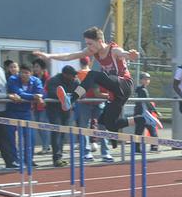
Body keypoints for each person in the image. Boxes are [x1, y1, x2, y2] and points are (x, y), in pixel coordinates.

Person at [32, 26, 162, 136]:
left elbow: (125, 54)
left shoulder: (114, 50)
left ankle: (71, 99)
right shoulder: (92, 51)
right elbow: (70, 56)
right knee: (111, 125)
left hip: (125, 84)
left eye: (90, 44)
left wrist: (133, 55)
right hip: (115, 91)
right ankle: (143, 118)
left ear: (100, 41)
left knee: (93, 75)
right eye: (87, 44)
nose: (88, 47)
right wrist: (49, 56)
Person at [43, 66, 78, 166]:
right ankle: (56, 158)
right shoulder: (54, 80)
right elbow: (52, 93)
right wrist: (65, 97)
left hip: (66, 110)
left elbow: (81, 91)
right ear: (65, 75)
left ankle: (60, 156)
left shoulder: (75, 81)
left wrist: (69, 97)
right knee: (56, 133)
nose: (74, 77)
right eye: (72, 75)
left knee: (63, 133)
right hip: (54, 110)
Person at [133, 72, 161, 152]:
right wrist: (155, 112)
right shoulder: (142, 90)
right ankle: (151, 147)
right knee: (142, 131)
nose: (147, 80)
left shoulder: (141, 89)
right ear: (141, 80)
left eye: (148, 79)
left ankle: (151, 147)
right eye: (145, 79)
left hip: (143, 114)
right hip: (142, 114)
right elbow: (147, 102)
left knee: (146, 130)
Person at [31, 58, 51, 154]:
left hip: (45, 106)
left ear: (42, 68)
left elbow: (47, 91)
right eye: (34, 67)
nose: (35, 69)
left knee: (44, 126)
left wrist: (41, 96)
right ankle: (46, 145)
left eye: (37, 67)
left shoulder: (48, 78)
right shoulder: (33, 78)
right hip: (35, 106)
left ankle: (46, 147)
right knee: (39, 127)